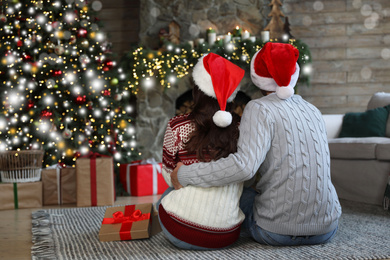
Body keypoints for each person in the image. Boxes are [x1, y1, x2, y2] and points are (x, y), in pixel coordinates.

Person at [171, 42, 342, 246]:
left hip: (276, 232)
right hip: (327, 228)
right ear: (294, 74)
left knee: (231, 193)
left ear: (258, 77)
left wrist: (185, 174)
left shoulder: (259, 108)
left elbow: (243, 168)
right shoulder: (313, 110)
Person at [157, 53, 246, 250]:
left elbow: (169, 177)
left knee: (163, 199)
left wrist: (186, 172)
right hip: (227, 236)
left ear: (197, 89)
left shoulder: (176, 125)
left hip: (180, 232)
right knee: (245, 195)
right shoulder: (242, 128)